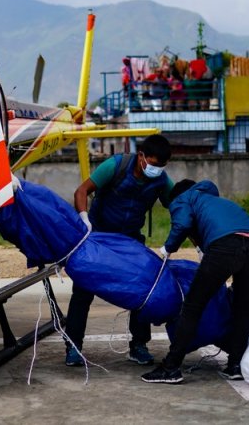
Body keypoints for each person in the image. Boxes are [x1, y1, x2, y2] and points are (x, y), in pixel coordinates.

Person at [64, 134, 174, 367]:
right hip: (99, 237)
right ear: (141, 156)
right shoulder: (116, 165)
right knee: (83, 292)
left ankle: (139, 345)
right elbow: (81, 191)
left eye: (161, 166)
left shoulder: (161, 181)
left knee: (143, 290)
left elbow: (178, 204)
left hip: (130, 241)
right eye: (153, 164)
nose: (156, 169)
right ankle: (73, 347)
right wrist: (84, 220)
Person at [141, 179, 249, 384]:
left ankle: (171, 367)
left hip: (225, 247)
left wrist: (166, 249)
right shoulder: (219, 202)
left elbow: (182, 224)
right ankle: (235, 365)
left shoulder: (183, 198)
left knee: (192, 306)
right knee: (242, 307)